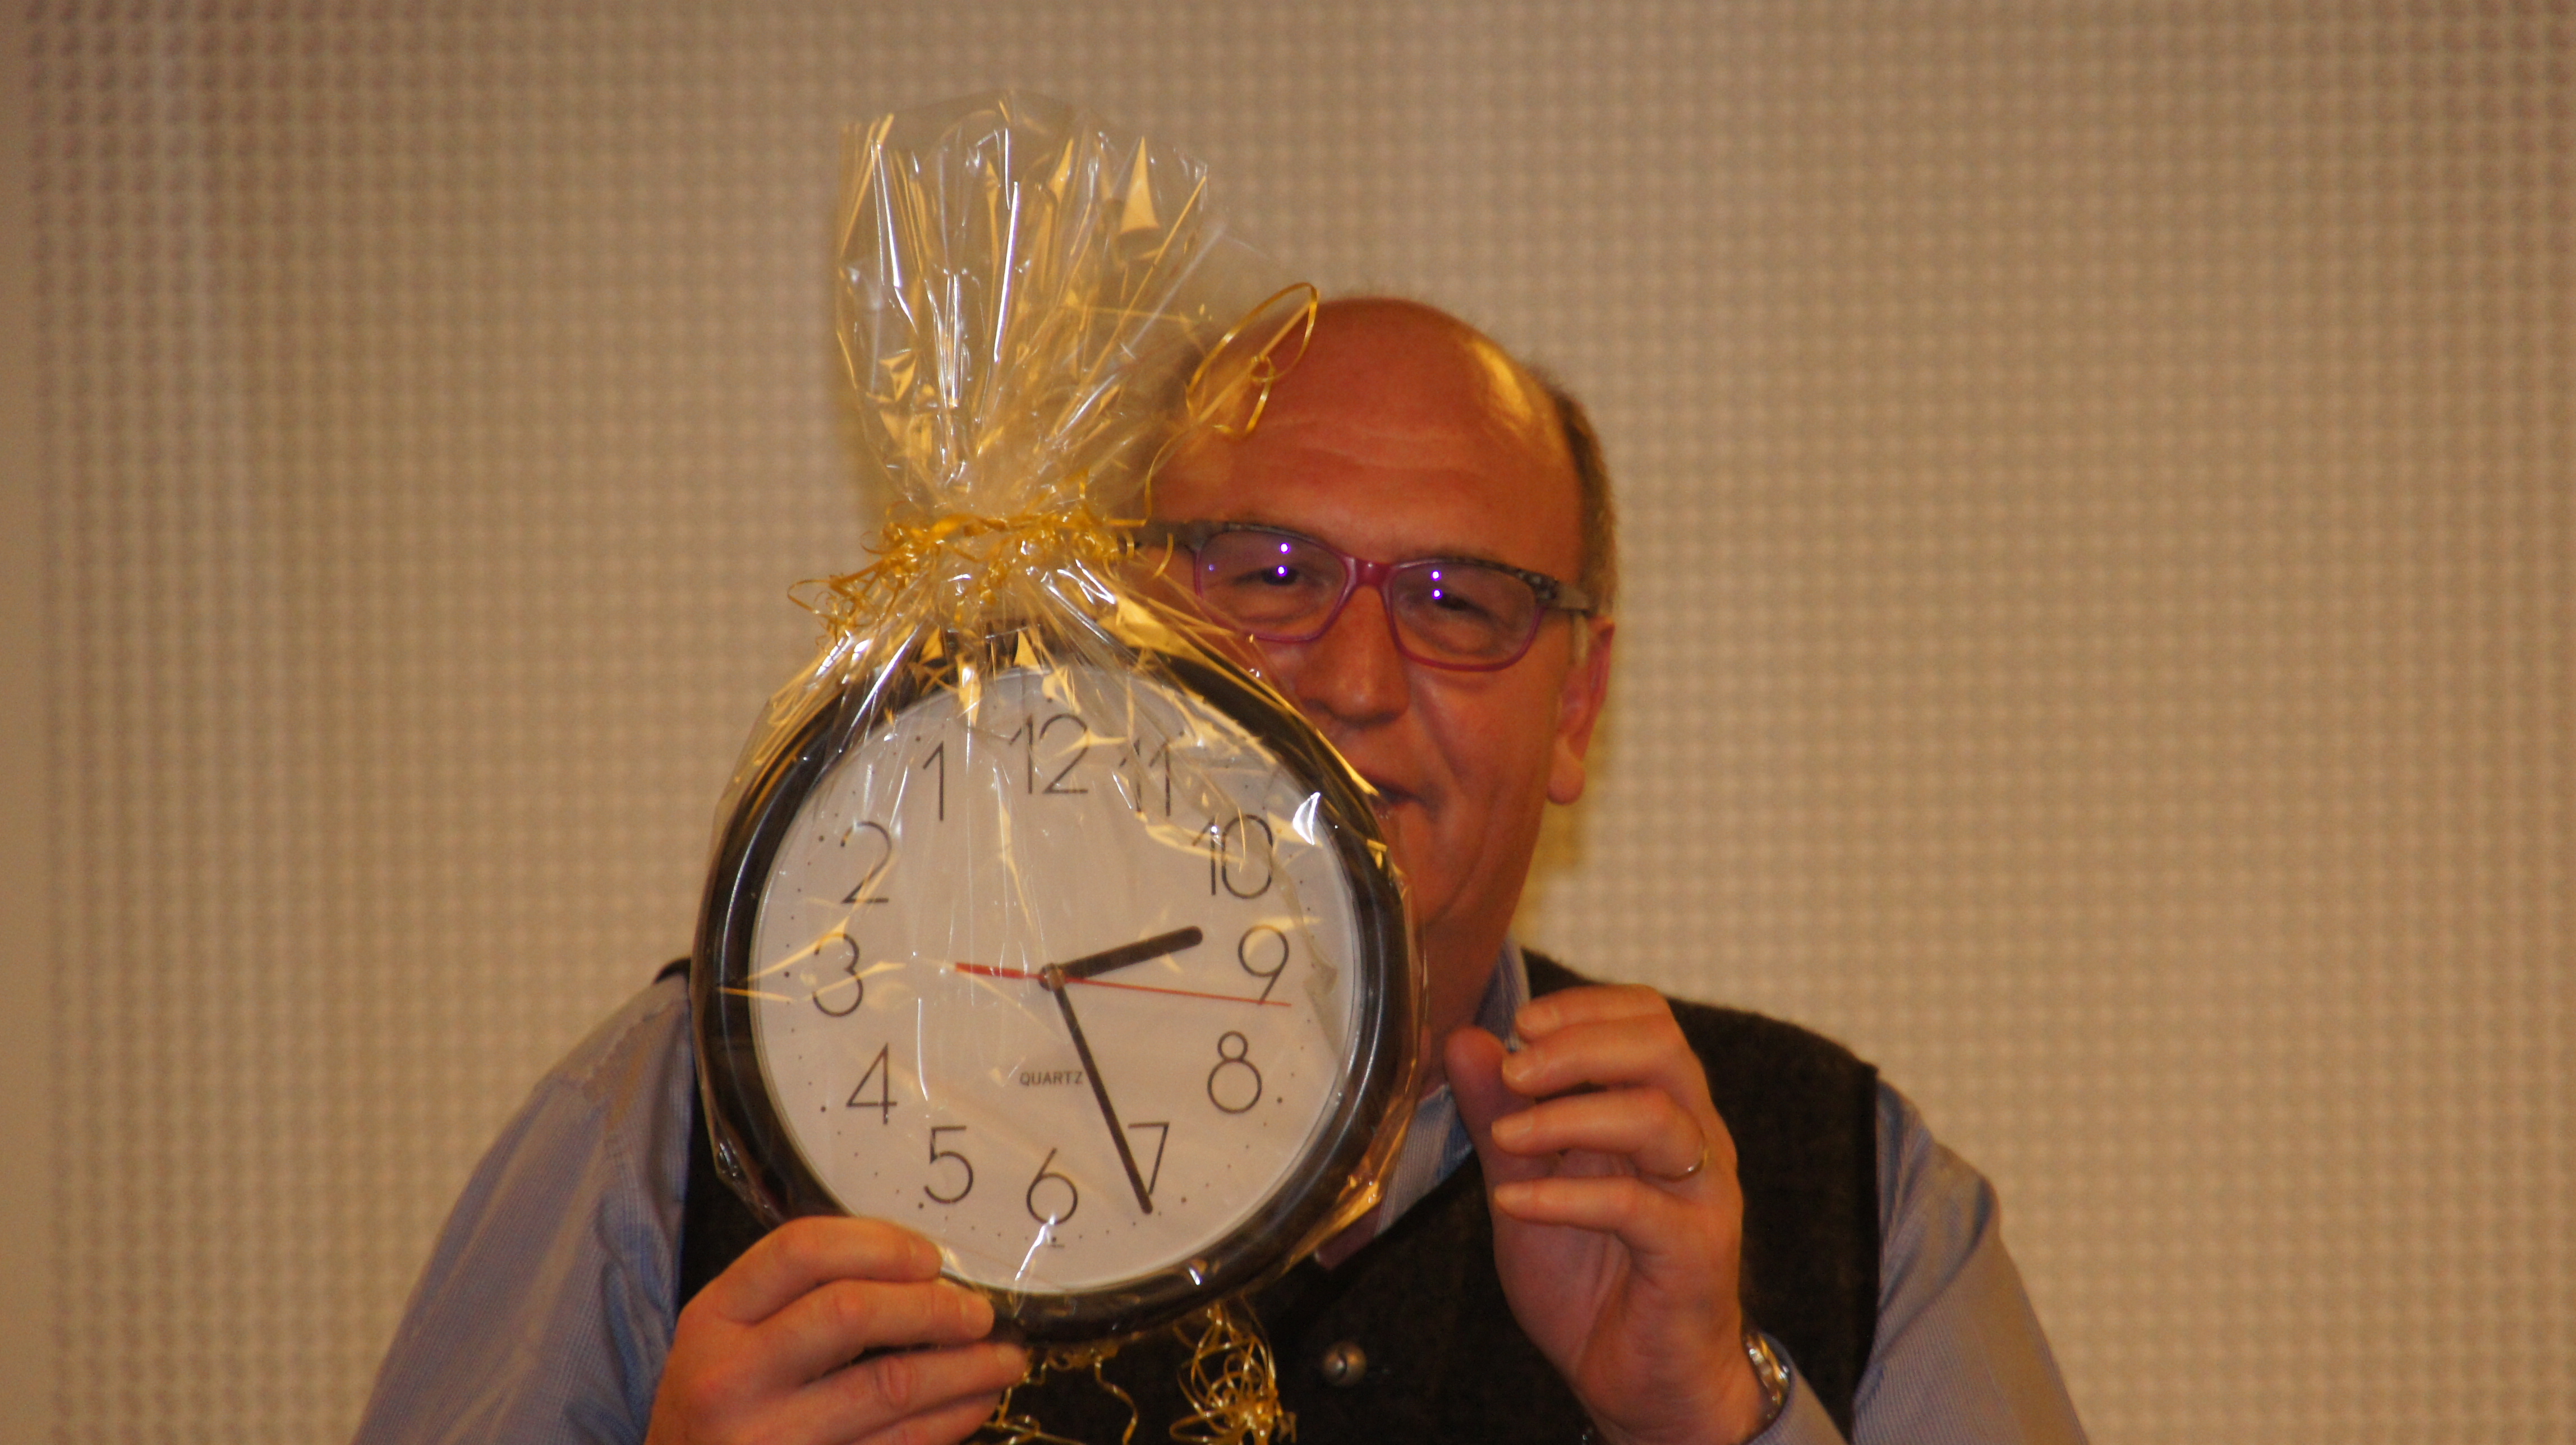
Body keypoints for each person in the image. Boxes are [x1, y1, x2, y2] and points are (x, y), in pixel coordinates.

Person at [356, 298, 2086, 1445]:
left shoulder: (1843, 1182)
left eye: (1461, 603)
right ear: (1105, 635)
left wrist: (1714, 1415)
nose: (1352, 680)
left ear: (1578, 711)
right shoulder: (698, 1103)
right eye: (1265, 574)